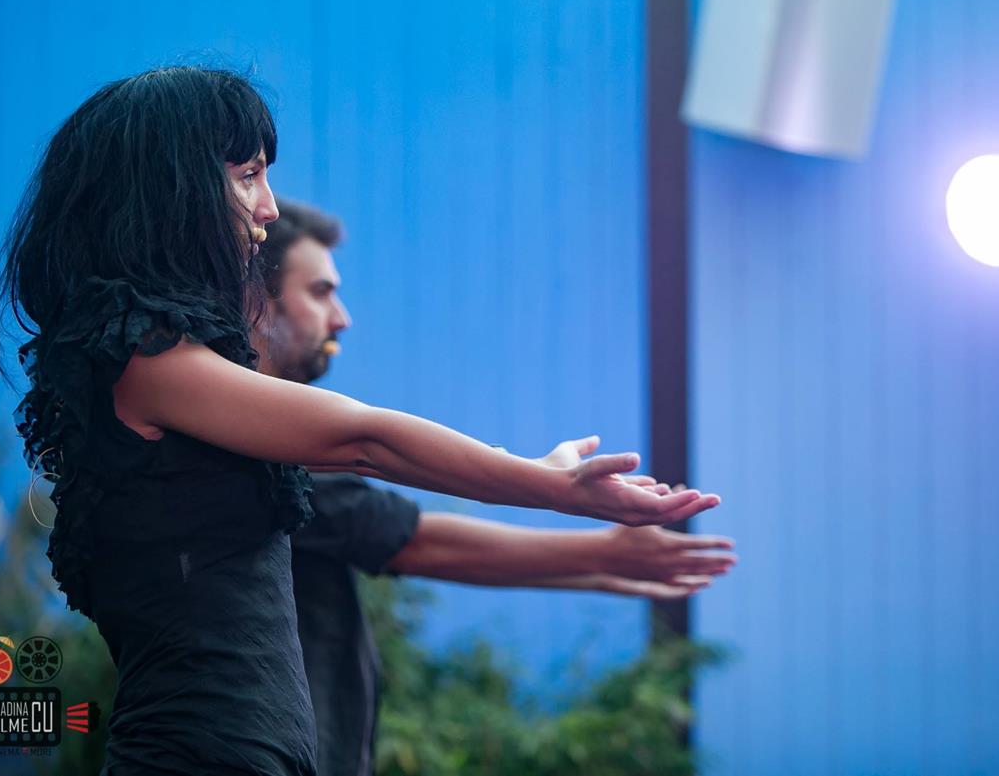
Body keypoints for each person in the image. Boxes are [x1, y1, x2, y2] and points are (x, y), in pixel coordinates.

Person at [0, 66, 720, 776]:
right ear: (170, 190)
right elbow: (363, 440)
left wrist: (543, 488)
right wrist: (547, 486)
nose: (268, 207)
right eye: (247, 175)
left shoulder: (184, 389)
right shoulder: (146, 362)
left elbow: (364, 459)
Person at [255, 199, 738, 776]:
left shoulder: (280, 440)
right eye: (320, 292)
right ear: (255, 297)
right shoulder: (257, 446)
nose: (342, 319)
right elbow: (409, 537)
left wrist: (596, 554)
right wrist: (589, 538)